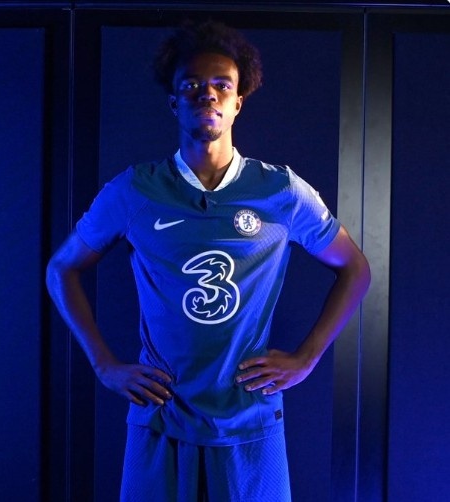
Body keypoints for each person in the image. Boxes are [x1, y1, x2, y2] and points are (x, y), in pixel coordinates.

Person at [46, 20, 371, 501]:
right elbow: (62, 268)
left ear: (238, 102)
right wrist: (104, 365)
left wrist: (307, 357)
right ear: (173, 102)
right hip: (161, 415)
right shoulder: (136, 190)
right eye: (192, 85)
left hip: (249, 421)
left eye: (222, 85)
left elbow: (355, 268)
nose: (208, 95)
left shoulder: (280, 190)